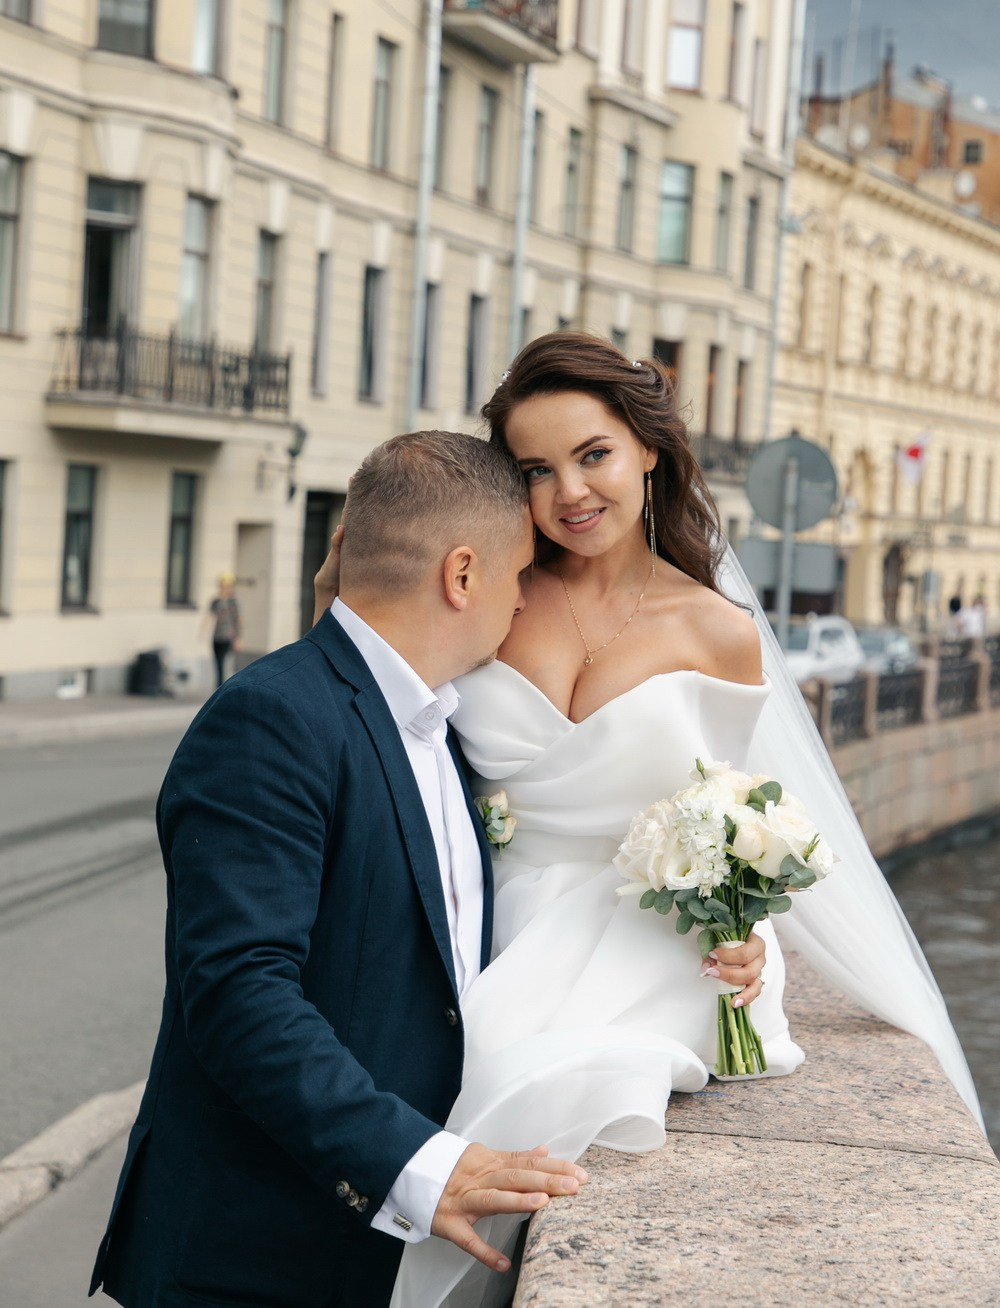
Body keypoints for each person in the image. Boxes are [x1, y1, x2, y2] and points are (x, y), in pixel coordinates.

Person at [314, 333, 982, 1308]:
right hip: (480, 917)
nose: (569, 492)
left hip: (644, 938)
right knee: (445, 1077)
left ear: (647, 452)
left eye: (593, 455)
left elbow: (738, 818)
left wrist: (747, 931)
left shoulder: (717, 631)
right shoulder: (490, 594)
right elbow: (380, 714)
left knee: (527, 1076)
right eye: (536, 470)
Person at [90, 432, 592, 1308]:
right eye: (518, 576)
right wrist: (419, 1164)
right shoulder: (269, 721)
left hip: (371, 1260)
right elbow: (239, 993)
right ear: (462, 575)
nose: (522, 605)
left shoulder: (453, 729)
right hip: (251, 1257)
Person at [204, 572, 242, 688]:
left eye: (225, 585)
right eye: (221, 585)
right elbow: (210, 615)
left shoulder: (233, 601)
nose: (222, 587)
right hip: (217, 635)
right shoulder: (216, 601)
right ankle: (219, 686)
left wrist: (238, 638)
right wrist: (204, 629)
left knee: (225, 662)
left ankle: (224, 686)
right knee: (217, 662)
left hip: (228, 636)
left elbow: (238, 620)